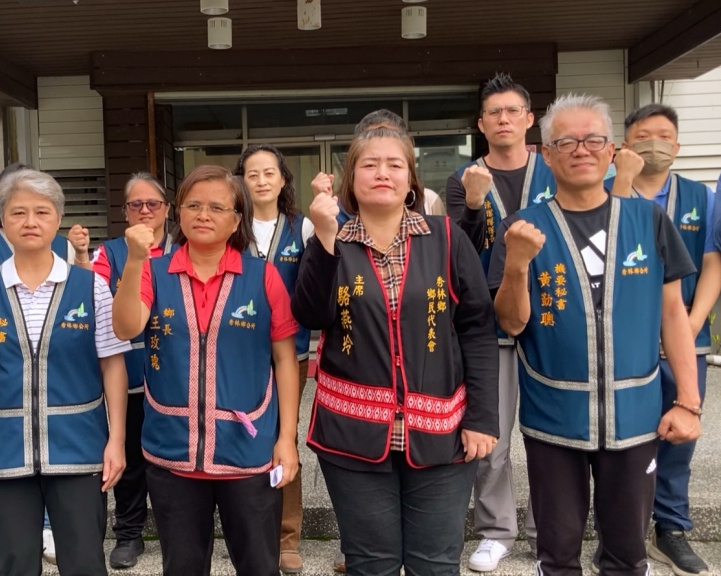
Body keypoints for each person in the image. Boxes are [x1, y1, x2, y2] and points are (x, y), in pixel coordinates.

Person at [490, 93, 702, 576]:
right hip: (554, 419)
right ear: (547, 154)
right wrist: (518, 263)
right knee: (557, 552)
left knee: (628, 552)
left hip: (635, 417)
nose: (581, 149)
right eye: (566, 142)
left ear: (612, 151)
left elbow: (673, 313)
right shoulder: (522, 227)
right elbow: (511, 322)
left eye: (593, 140)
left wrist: (688, 402)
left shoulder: (648, 220)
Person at [292, 121, 499, 576]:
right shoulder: (329, 241)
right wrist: (324, 238)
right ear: (350, 180)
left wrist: (483, 418)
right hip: (352, 435)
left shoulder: (447, 237)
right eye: (369, 165)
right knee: (371, 564)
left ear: (411, 180)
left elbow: (477, 330)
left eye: (394, 164)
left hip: (442, 431)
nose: (382, 173)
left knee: (436, 563)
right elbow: (309, 315)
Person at [111, 165, 300, 576]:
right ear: (178, 213)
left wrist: (287, 438)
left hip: (247, 451)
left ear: (236, 220)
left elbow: (285, 359)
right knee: (182, 566)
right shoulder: (154, 271)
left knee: (259, 565)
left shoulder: (262, 276)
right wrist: (135, 261)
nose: (203, 214)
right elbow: (125, 327)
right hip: (172, 452)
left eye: (217, 207)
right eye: (193, 205)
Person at [0, 168, 128, 575]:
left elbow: (112, 363)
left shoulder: (90, 286)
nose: (30, 222)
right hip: (2, 451)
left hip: (78, 448)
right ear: (2, 221)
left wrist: (116, 439)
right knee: (16, 562)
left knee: (85, 562)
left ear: (58, 218)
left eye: (42, 212)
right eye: (18, 212)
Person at [603, 103, 721, 576]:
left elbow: (713, 262)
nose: (655, 143)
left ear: (678, 145)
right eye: (643, 135)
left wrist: (691, 324)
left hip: (686, 336)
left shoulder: (701, 196)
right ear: (624, 145)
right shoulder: (608, 190)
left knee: (680, 438)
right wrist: (623, 179)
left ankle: (670, 529)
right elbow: (607, 245)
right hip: (625, 340)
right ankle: (620, 534)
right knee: (625, 442)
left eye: (664, 136)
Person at [443, 73, 556, 571]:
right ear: (481, 123)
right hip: (490, 322)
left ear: (530, 119)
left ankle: (550, 532)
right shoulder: (464, 178)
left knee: (552, 434)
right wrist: (472, 203)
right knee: (492, 437)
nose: (503, 119)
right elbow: (456, 251)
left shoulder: (554, 168)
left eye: (512, 111)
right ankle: (496, 530)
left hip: (552, 315)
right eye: (494, 112)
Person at [233, 144, 312, 575]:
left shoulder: (302, 227)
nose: (261, 181)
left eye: (269, 173)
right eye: (252, 174)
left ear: (283, 180)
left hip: (290, 354)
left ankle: (287, 537)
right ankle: (246, 534)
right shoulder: (232, 227)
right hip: (239, 355)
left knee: (285, 440)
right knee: (241, 440)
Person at [90, 172, 174, 569]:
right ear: (124, 211)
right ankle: (128, 532)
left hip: (176, 378)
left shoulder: (185, 250)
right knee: (129, 456)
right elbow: (98, 304)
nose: (144, 210)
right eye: (135, 204)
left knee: (173, 461)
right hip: (130, 373)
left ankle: (180, 532)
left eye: (152, 203)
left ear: (167, 210)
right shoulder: (109, 253)